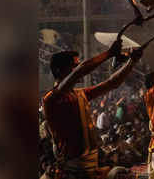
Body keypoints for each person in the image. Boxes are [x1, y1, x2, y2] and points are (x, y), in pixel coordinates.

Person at [42, 40, 142, 179]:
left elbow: (112, 83)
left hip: (91, 168)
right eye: (74, 66)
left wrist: (132, 61)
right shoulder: (51, 99)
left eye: (78, 66)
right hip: (72, 170)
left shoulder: (80, 94)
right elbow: (80, 71)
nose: (78, 69)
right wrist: (108, 54)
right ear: (59, 71)